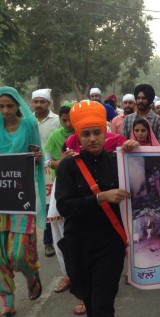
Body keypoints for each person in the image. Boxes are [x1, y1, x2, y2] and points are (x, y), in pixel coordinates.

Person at [56, 100, 138, 317]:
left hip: (110, 245)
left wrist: (135, 153)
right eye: (86, 134)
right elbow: (64, 206)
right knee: (91, 302)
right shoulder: (68, 166)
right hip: (79, 245)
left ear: (105, 133)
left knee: (103, 305)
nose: (92, 138)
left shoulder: (118, 160)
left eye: (97, 132)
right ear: (78, 137)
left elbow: (142, 184)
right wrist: (100, 198)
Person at [0, 86, 46, 317]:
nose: (5, 110)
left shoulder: (29, 125)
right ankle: (7, 300)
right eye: (1, 106)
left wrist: (36, 157)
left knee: (17, 253)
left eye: (9, 105)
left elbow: (36, 155)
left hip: (20, 199)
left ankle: (30, 273)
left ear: (18, 105)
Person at [43, 102, 76, 295]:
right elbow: (47, 160)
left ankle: (84, 275)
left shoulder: (85, 133)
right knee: (59, 235)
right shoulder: (55, 137)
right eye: (64, 120)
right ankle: (67, 275)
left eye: (72, 120)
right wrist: (61, 162)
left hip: (84, 190)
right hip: (60, 187)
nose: (68, 124)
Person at [31, 88, 60, 258]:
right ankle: (28, 243)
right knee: (31, 205)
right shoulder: (27, 121)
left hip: (50, 168)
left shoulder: (56, 121)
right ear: (32, 103)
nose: (39, 105)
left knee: (49, 205)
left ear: (48, 103)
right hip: (30, 167)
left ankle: (48, 242)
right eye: (36, 101)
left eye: (42, 102)